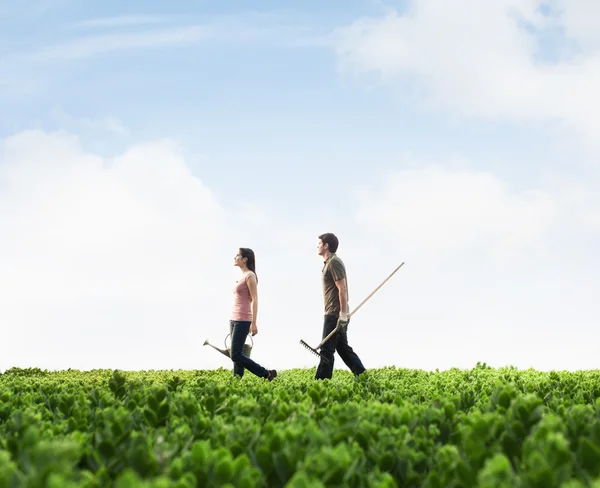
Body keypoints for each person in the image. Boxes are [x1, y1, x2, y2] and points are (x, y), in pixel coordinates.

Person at [315, 233, 366, 380]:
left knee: (326, 351)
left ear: (326, 246)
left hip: (335, 313)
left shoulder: (334, 262)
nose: (317, 246)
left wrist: (343, 314)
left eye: (319, 243)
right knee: (343, 349)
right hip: (333, 312)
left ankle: (320, 384)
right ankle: (362, 375)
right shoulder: (328, 263)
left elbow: (342, 288)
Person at [229, 247, 277, 381]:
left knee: (236, 354)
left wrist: (254, 323)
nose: (235, 257)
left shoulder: (250, 275)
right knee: (237, 354)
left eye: (237, 255)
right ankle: (237, 381)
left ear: (245, 259)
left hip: (243, 319)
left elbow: (255, 299)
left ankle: (266, 374)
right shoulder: (242, 276)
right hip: (234, 318)